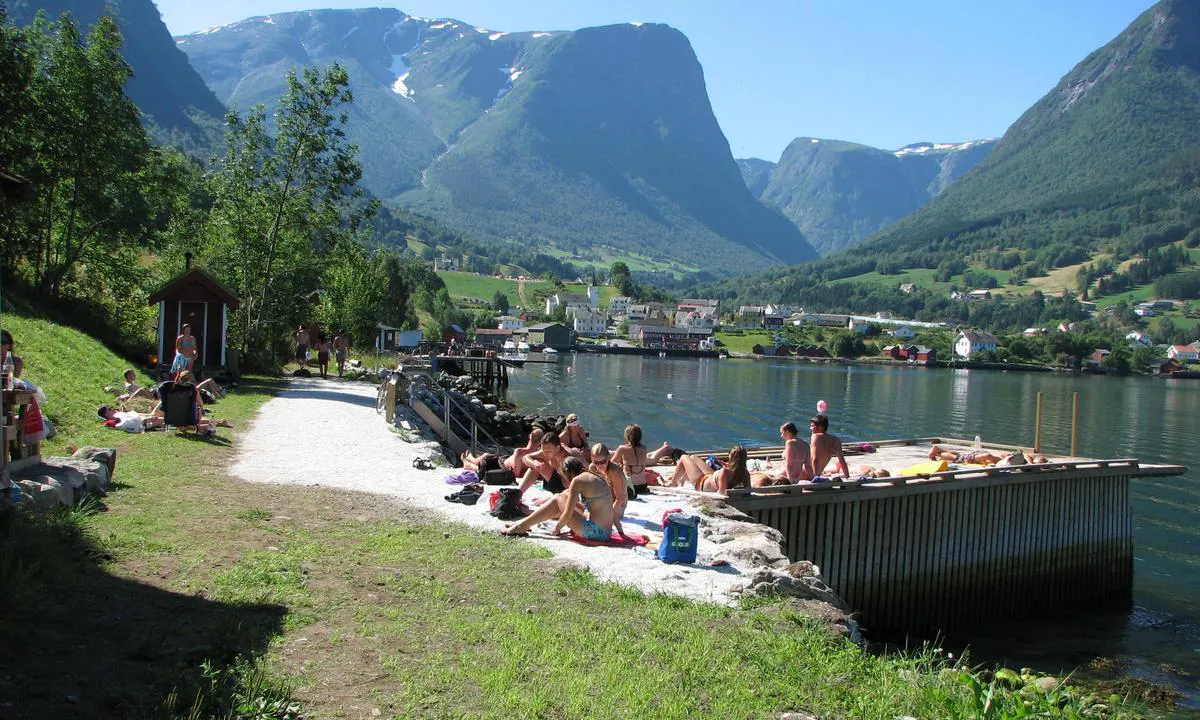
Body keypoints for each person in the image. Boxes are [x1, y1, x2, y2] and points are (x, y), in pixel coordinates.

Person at [501, 456, 620, 539]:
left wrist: (557, 529)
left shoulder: (577, 481)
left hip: (595, 533)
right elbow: (611, 510)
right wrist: (620, 531)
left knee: (558, 498)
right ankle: (523, 523)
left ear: (568, 472)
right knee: (562, 496)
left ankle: (522, 525)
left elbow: (567, 515)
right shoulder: (595, 477)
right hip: (606, 532)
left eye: (564, 477)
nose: (566, 480)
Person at [752, 422, 812, 487]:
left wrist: (790, 481)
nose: (781, 436)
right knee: (766, 470)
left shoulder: (790, 443)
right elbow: (808, 466)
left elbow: (789, 465)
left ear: (787, 431)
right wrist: (814, 478)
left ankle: (768, 465)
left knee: (755, 473)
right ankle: (769, 464)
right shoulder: (806, 445)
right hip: (798, 476)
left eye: (782, 433)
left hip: (785, 474)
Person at [588, 442, 628, 522]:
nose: (599, 466)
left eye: (603, 462)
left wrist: (608, 515)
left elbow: (620, 498)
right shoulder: (592, 468)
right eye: (596, 462)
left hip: (618, 503)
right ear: (592, 459)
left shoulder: (614, 472)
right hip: (603, 498)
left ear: (608, 457)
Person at [610, 423, 650, 499]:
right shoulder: (644, 448)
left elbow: (610, 464)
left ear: (627, 436)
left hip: (629, 487)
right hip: (643, 487)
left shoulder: (622, 448)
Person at [928, 445, 1005, 466]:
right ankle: (937, 450)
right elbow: (987, 455)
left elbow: (988, 456)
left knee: (958, 455)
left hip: (972, 455)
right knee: (957, 457)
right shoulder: (998, 459)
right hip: (971, 457)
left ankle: (937, 449)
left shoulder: (997, 458)